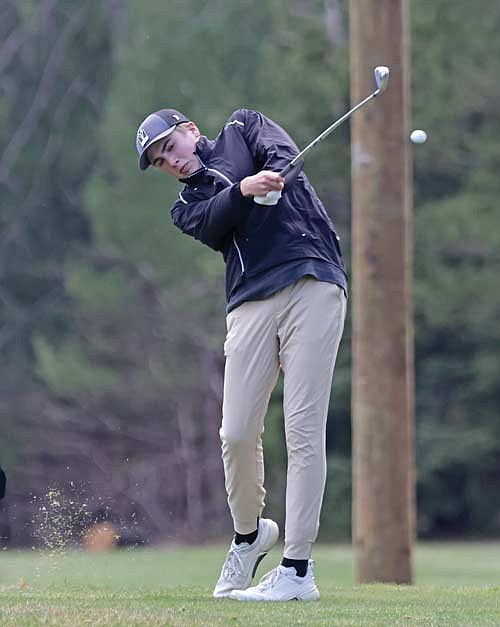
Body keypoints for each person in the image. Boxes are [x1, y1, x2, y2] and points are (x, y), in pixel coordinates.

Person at [135, 107, 347, 601]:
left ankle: (297, 569)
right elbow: (213, 223)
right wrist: (245, 190)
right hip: (250, 302)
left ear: (190, 130)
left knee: (302, 428)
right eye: (161, 162)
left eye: (171, 147)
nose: (172, 163)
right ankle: (250, 537)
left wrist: (273, 176)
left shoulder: (242, 127)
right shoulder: (186, 204)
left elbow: (284, 154)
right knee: (235, 433)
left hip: (312, 278)